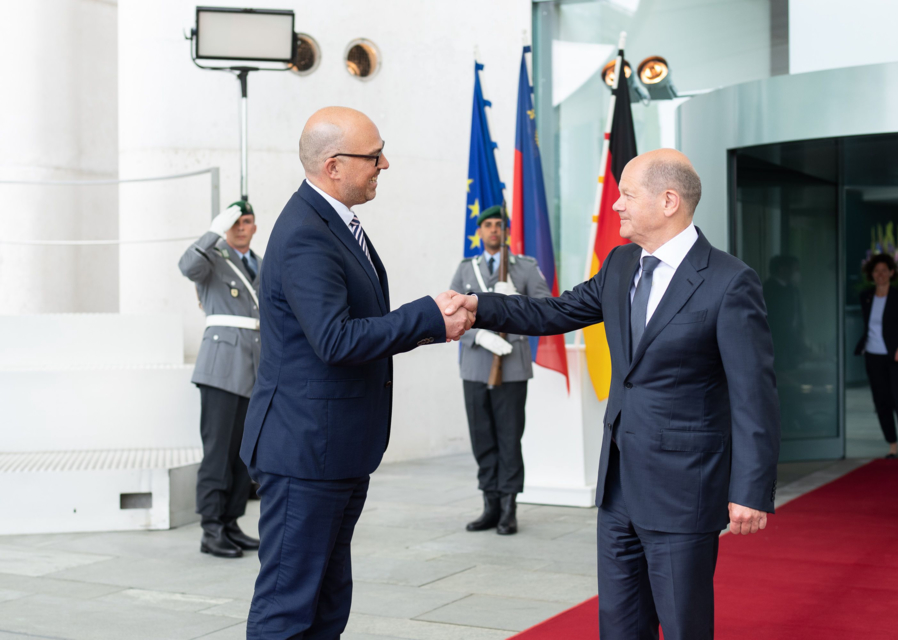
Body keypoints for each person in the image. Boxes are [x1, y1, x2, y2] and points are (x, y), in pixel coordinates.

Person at [444, 148, 780, 640]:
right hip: (619, 486)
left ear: (668, 201)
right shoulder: (621, 263)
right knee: (620, 626)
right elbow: (552, 312)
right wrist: (477, 306)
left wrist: (750, 491)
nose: (616, 206)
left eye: (627, 194)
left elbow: (755, 394)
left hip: (684, 490)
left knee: (685, 626)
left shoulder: (730, 283)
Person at [240, 106, 474, 639]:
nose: (384, 164)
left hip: (334, 449)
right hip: (305, 451)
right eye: (373, 156)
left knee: (325, 603)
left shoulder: (334, 223)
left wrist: (426, 323)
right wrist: (427, 317)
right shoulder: (306, 233)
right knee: (288, 606)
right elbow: (336, 339)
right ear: (334, 165)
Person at [450, 205, 552, 535]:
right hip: (477, 365)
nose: (493, 230)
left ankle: (509, 507)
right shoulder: (468, 269)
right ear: (480, 231)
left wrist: (515, 307)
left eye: (499, 225)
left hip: (511, 365)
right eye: (488, 225)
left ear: (507, 231)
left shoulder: (524, 267)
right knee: (483, 438)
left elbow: (545, 309)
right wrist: (480, 336)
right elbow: (449, 313)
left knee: (509, 436)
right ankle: (490, 504)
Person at [178, 200, 262, 559]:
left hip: (254, 366)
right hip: (221, 366)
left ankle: (230, 522)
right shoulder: (214, 256)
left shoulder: (259, 262)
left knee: (242, 453)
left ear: (254, 225)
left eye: (246, 221)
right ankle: (211, 529)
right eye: (234, 222)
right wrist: (213, 231)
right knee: (217, 452)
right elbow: (187, 266)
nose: (240, 228)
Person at [854, 253, 898, 462]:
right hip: (874, 356)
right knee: (881, 401)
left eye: (884, 270)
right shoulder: (866, 296)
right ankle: (892, 445)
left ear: (891, 272)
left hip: (896, 356)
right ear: (871, 275)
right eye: (876, 271)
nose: (880, 275)